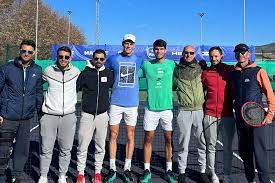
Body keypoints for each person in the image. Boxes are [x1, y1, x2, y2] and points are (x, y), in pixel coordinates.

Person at [0, 39, 43, 183]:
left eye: (30, 52)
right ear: (19, 51)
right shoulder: (7, 68)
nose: (26, 54)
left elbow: (38, 92)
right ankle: (1, 174)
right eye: (24, 51)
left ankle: (15, 176)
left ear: (34, 53)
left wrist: (39, 111)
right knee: (3, 148)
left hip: (26, 118)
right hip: (8, 117)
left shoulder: (37, 70)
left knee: (21, 149)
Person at [232, 43, 275, 183]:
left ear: (248, 55)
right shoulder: (234, 73)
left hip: (258, 121)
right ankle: (250, 180)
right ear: (235, 55)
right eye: (238, 53)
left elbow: (270, 94)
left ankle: (265, 180)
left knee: (260, 153)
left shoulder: (259, 71)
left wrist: (270, 114)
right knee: (245, 153)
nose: (241, 55)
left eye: (243, 52)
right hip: (240, 121)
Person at [104, 34, 143, 183]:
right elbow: (102, 69)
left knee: (130, 135)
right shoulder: (113, 59)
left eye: (131, 43)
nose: (128, 46)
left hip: (132, 104)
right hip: (115, 103)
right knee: (113, 134)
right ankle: (112, 167)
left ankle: (127, 167)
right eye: (126, 43)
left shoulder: (139, 60)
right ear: (122, 44)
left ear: (134, 45)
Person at [38, 46, 80, 183]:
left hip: (68, 116)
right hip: (49, 116)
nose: (63, 59)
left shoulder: (76, 72)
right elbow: (36, 86)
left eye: (66, 57)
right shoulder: (48, 71)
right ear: (56, 57)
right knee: (46, 148)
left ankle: (62, 175)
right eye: (60, 56)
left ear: (70, 58)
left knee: (66, 149)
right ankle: (43, 176)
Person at [138, 39, 176, 183]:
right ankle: (146, 170)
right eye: (156, 49)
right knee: (148, 138)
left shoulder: (172, 64)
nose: (159, 51)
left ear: (165, 50)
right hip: (150, 109)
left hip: (167, 110)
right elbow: (132, 75)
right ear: (153, 50)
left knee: (169, 140)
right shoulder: (147, 65)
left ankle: (169, 170)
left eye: (161, 49)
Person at [76, 49, 113, 183]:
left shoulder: (108, 74)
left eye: (101, 59)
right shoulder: (85, 73)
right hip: (87, 115)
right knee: (82, 146)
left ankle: (97, 172)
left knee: (100, 146)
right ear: (92, 59)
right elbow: (75, 88)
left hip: (102, 116)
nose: (98, 61)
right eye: (96, 58)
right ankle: (80, 173)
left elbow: (114, 87)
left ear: (104, 60)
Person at [173, 45, 209, 183]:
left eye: (191, 53)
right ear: (182, 53)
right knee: (183, 144)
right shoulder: (176, 71)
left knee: (202, 142)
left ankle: (203, 171)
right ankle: (182, 171)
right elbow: (172, 86)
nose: (188, 55)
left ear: (195, 54)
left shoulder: (200, 68)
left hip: (199, 110)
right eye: (186, 53)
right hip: (184, 111)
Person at [201, 46, 235, 183]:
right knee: (211, 146)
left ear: (221, 56)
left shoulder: (229, 71)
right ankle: (213, 174)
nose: (214, 59)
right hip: (209, 115)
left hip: (227, 116)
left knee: (228, 147)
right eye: (211, 56)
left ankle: (227, 175)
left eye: (216, 56)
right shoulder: (205, 73)